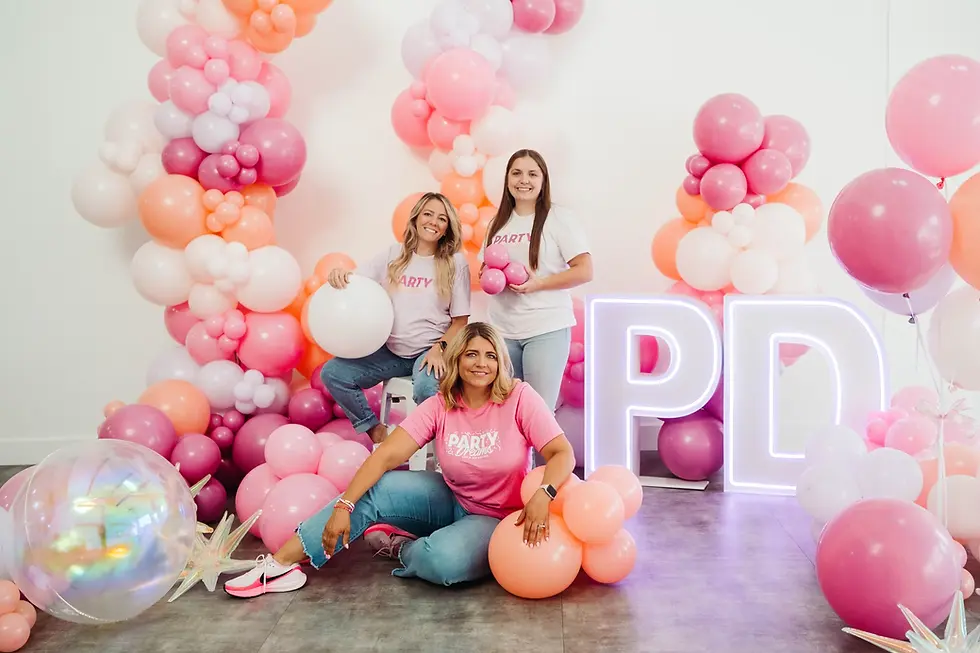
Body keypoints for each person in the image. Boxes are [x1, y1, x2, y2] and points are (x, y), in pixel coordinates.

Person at [224, 322, 575, 598]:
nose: (481, 363)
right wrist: (345, 505)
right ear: (458, 359)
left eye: (489, 355)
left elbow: (562, 454)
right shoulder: (441, 403)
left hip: (496, 517)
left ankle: (403, 548)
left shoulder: (519, 397)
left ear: (501, 362)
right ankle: (279, 565)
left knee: (442, 561)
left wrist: (543, 494)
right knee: (379, 487)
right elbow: (388, 455)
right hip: (451, 499)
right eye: (471, 354)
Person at [321, 192, 471, 444]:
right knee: (334, 373)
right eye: (428, 214)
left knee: (425, 389)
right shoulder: (395, 254)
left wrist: (439, 349)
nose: (434, 222)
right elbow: (355, 280)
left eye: (442, 218)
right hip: (392, 352)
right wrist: (339, 274)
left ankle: (435, 446)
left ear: (448, 227)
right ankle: (375, 430)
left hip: (430, 349)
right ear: (416, 219)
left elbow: (461, 321)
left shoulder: (455, 263)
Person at [482, 149, 593, 411]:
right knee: (506, 413)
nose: (524, 180)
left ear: (543, 181)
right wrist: (487, 275)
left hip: (545, 328)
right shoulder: (497, 224)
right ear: (507, 179)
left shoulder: (558, 218)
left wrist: (538, 283)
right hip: (502, 330)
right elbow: (489, 267)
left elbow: (585, 270)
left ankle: (543, 455)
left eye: (533, 174)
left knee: (538, 414)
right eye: (517, 173)